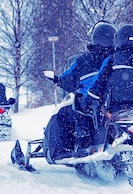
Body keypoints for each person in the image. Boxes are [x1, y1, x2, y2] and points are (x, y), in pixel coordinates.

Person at [46, 21, 116, 157]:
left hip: (92, 104)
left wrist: (57, 80)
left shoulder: (85, 60)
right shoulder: (118, 59)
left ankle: (64, 150)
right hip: (115, 105)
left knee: (62, 114)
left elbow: (68, 81)